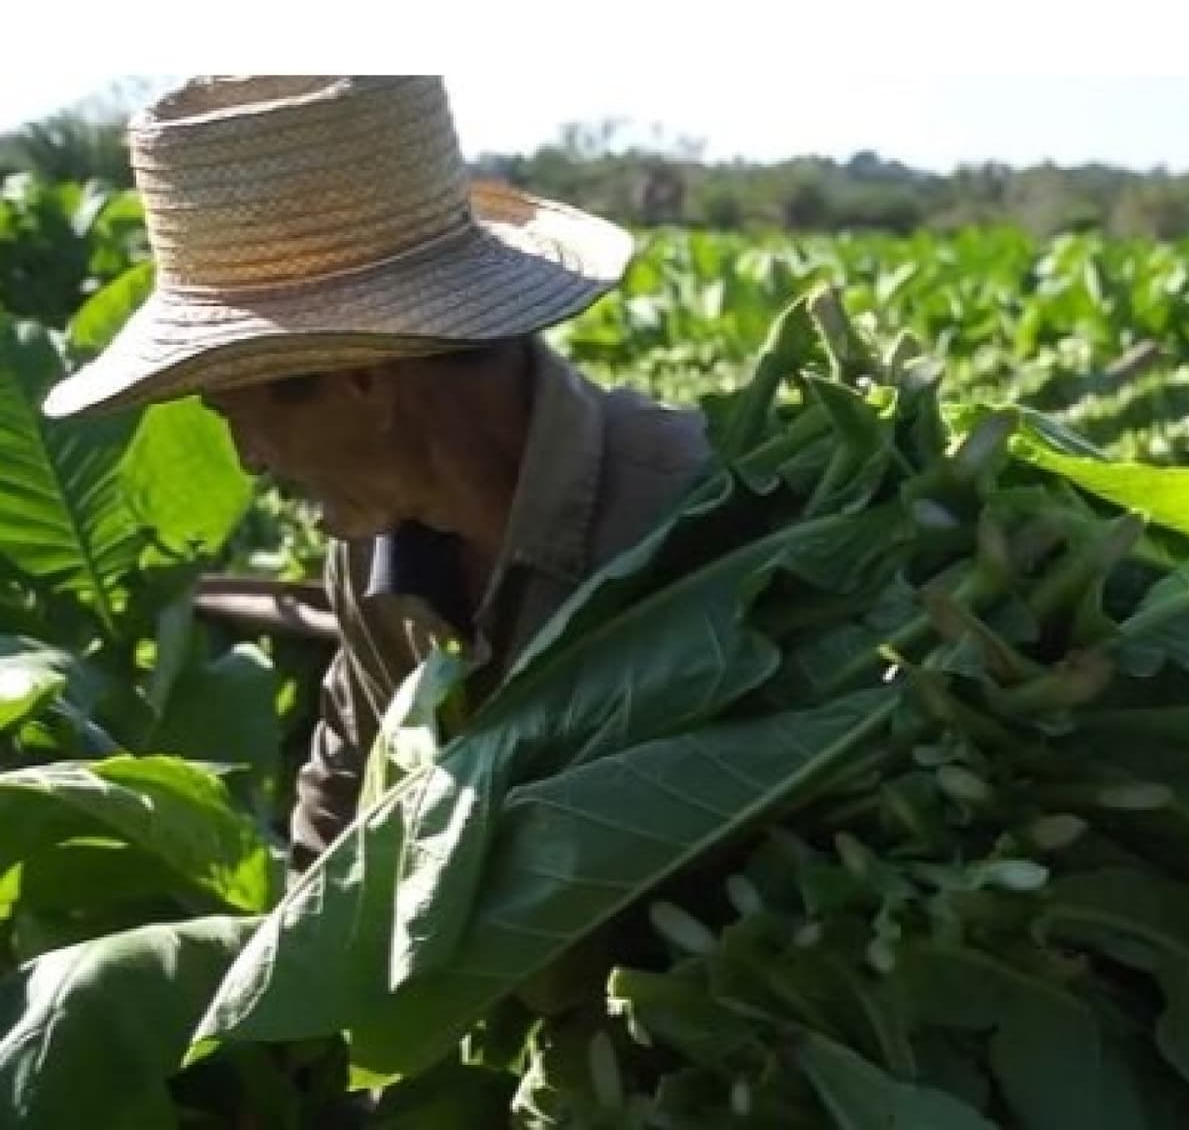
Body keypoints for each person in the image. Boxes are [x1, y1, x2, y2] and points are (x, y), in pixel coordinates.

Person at [43, 75, 712, 875]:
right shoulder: (372, 559)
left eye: (239, 416)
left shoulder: (697, 513)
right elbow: (338, 816)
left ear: (361, 379)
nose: (251, 460)